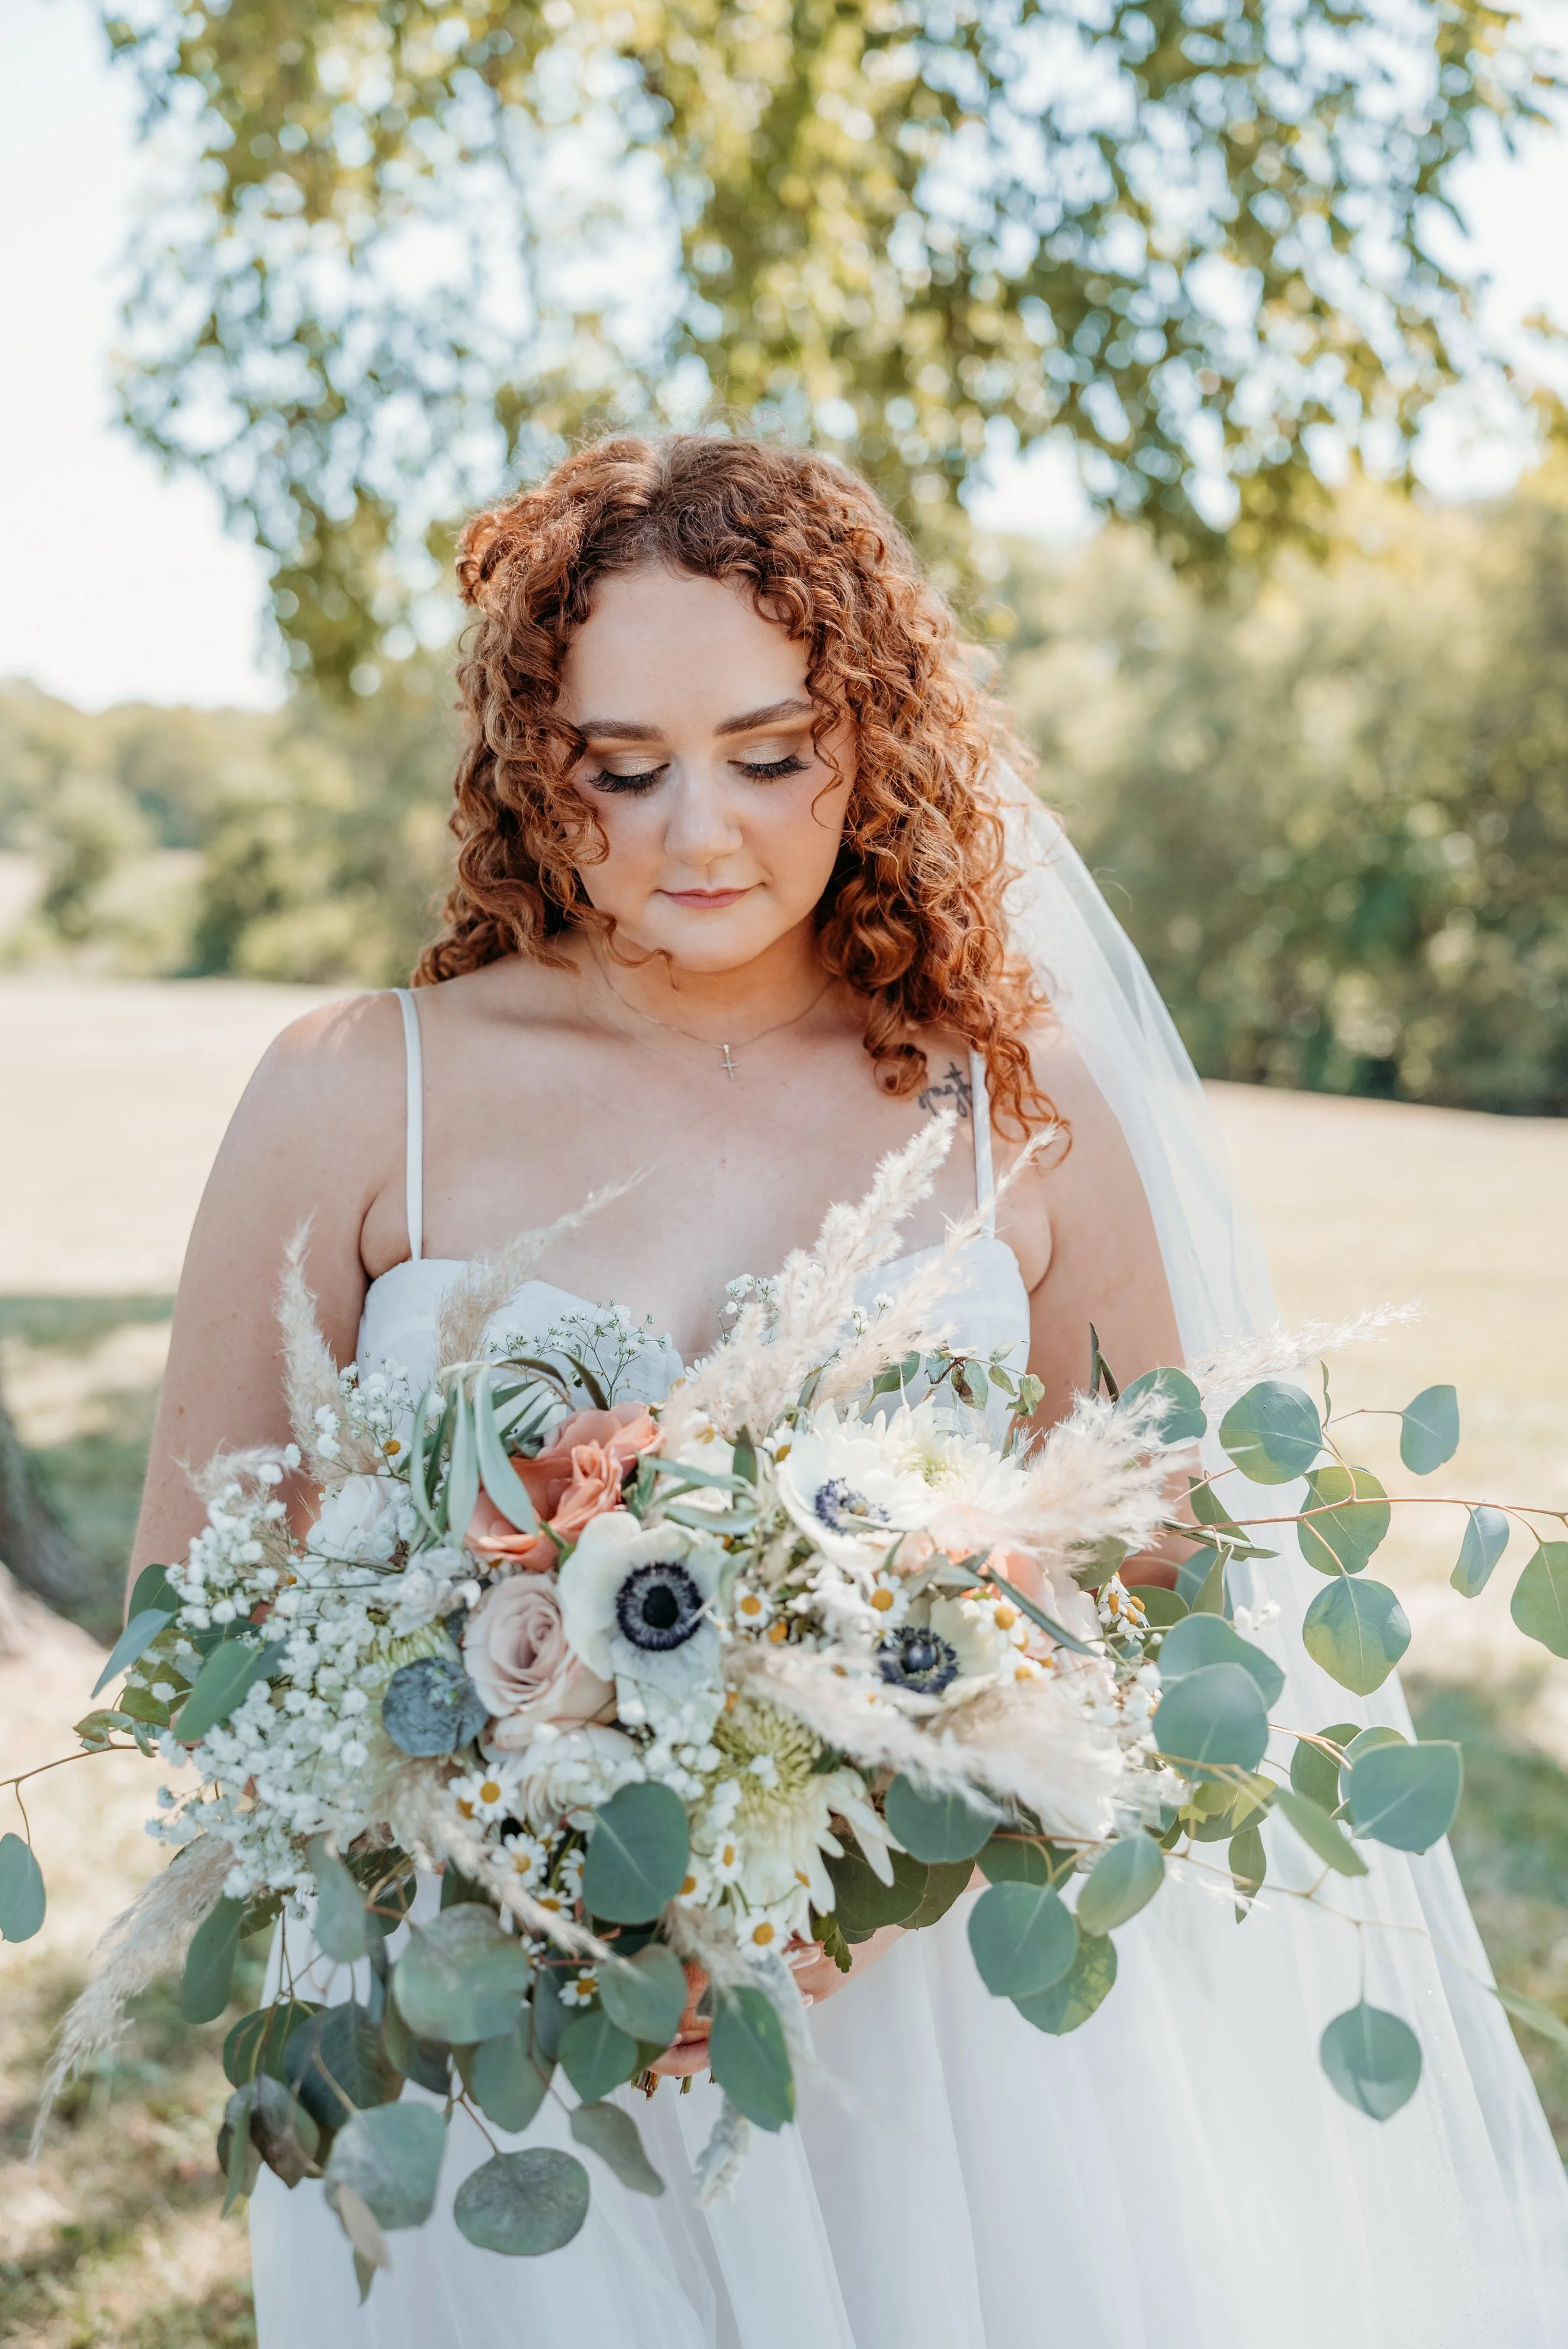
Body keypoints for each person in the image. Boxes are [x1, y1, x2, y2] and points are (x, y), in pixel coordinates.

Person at [132, 435, 1568, 2346]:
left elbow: (1161, 1570)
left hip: (949, 2033)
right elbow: (187, 1615)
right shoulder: (349, 1088)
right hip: (501, 2048)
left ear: (869, 738)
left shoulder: (1012, 1106)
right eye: (618, 766)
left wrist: (855, 1830)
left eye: (769, 751)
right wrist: (530, 1851)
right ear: (523, 759)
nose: (695, 833)